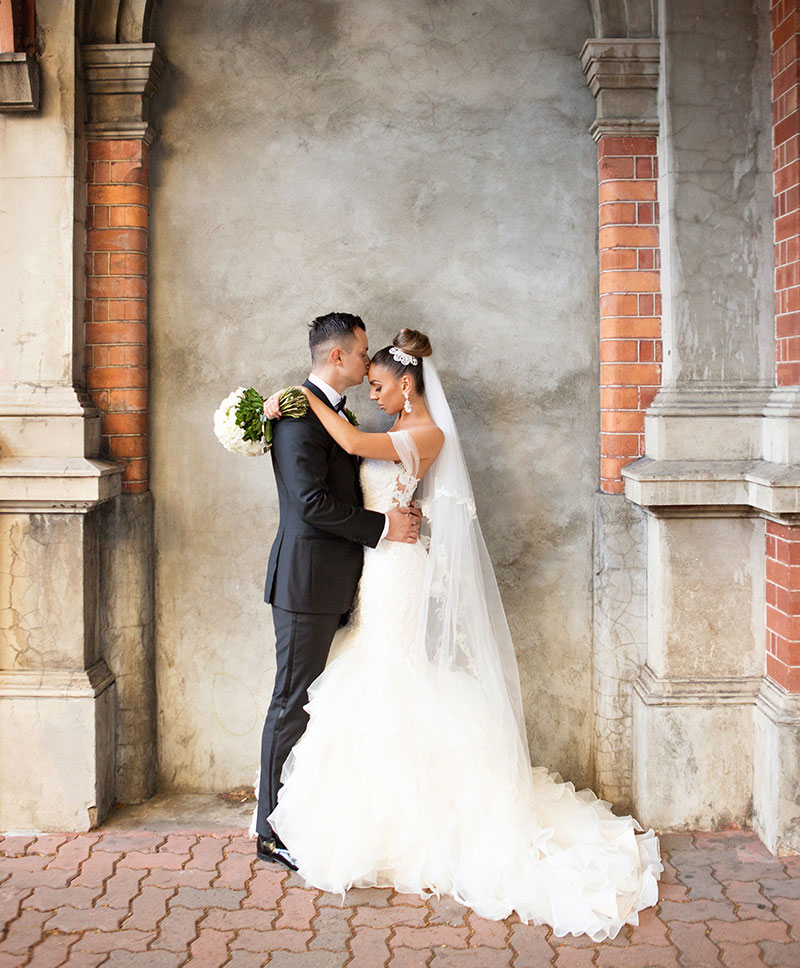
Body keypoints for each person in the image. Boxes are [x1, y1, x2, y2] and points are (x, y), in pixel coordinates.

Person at [259, 328, 662, 939]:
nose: (371, 382)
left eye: (379, 378)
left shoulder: (422, 432)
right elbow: (334, 481)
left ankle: (395, 822)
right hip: (377, 561)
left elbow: (349, 442)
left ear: (407, 381)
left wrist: (295, 397)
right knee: (357, 680)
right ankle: (310, 821)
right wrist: (289, 411)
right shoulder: (379, 425)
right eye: (364, 372)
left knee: (389, 674)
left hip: (393, 564)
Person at [254, 313, 421, 869]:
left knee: (317, 704)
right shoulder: (299, 415)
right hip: (305, 583)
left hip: (337, 582)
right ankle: (269, 831)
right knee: (291, 702)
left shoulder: (324, 411)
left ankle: (302, 814)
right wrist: (382, 529)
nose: (367, 362)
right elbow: (310, 505)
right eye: (361, 353)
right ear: (337, 358)